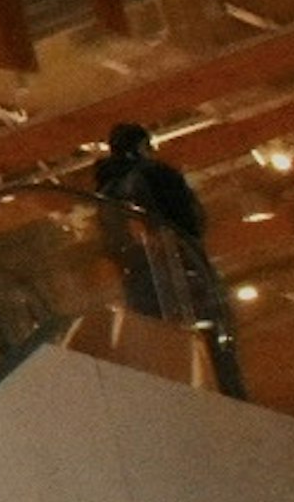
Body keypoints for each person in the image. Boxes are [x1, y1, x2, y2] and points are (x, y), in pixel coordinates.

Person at [97, 123, 246, 398]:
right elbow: (192, 222)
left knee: (165, 353)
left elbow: (112, 245)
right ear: (142, 146)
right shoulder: (156, 175)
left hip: (140, 284)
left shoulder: (106, 196)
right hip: (182, 276)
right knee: (216, 353)